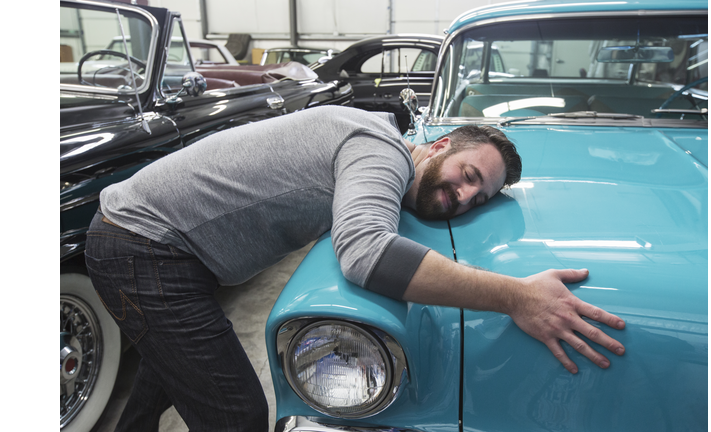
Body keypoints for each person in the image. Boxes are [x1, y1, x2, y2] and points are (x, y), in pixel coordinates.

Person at [85, 105, 625, 432]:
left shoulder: (373, 137)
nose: (461, 196)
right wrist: (516, 296)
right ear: (436, 145)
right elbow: (366, 252)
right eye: (465, 174)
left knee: (171, 371)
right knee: (237, 415)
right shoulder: (379, 149)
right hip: (143, 245)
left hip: (161, 243)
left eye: (476, 197)